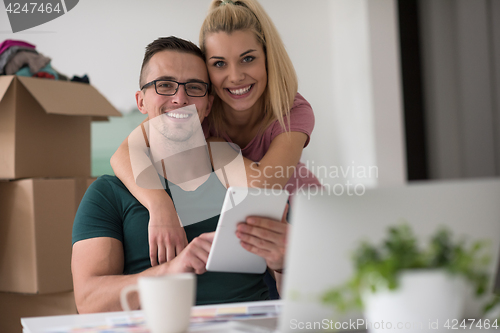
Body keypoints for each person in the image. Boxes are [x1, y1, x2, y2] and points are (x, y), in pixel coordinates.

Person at [71, 36, 288, 313]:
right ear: (141, 100)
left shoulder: (242, 179)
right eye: (164, 85)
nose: (180, 98)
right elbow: (89, 302)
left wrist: (283, 261)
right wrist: (171, 271)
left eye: (195, 87)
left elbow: (300, 295)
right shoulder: (108, 194)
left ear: (209, 104)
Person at [110, 0, 321, 267]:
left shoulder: (290, 108)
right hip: (244, 225)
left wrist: (214, 148)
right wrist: (160, 206)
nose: (235, 76)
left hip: (298, 210)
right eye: (219, 64)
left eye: (248, 58)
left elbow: (263, 188)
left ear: (268, 58)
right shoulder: (200, 105)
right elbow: (124, 153)